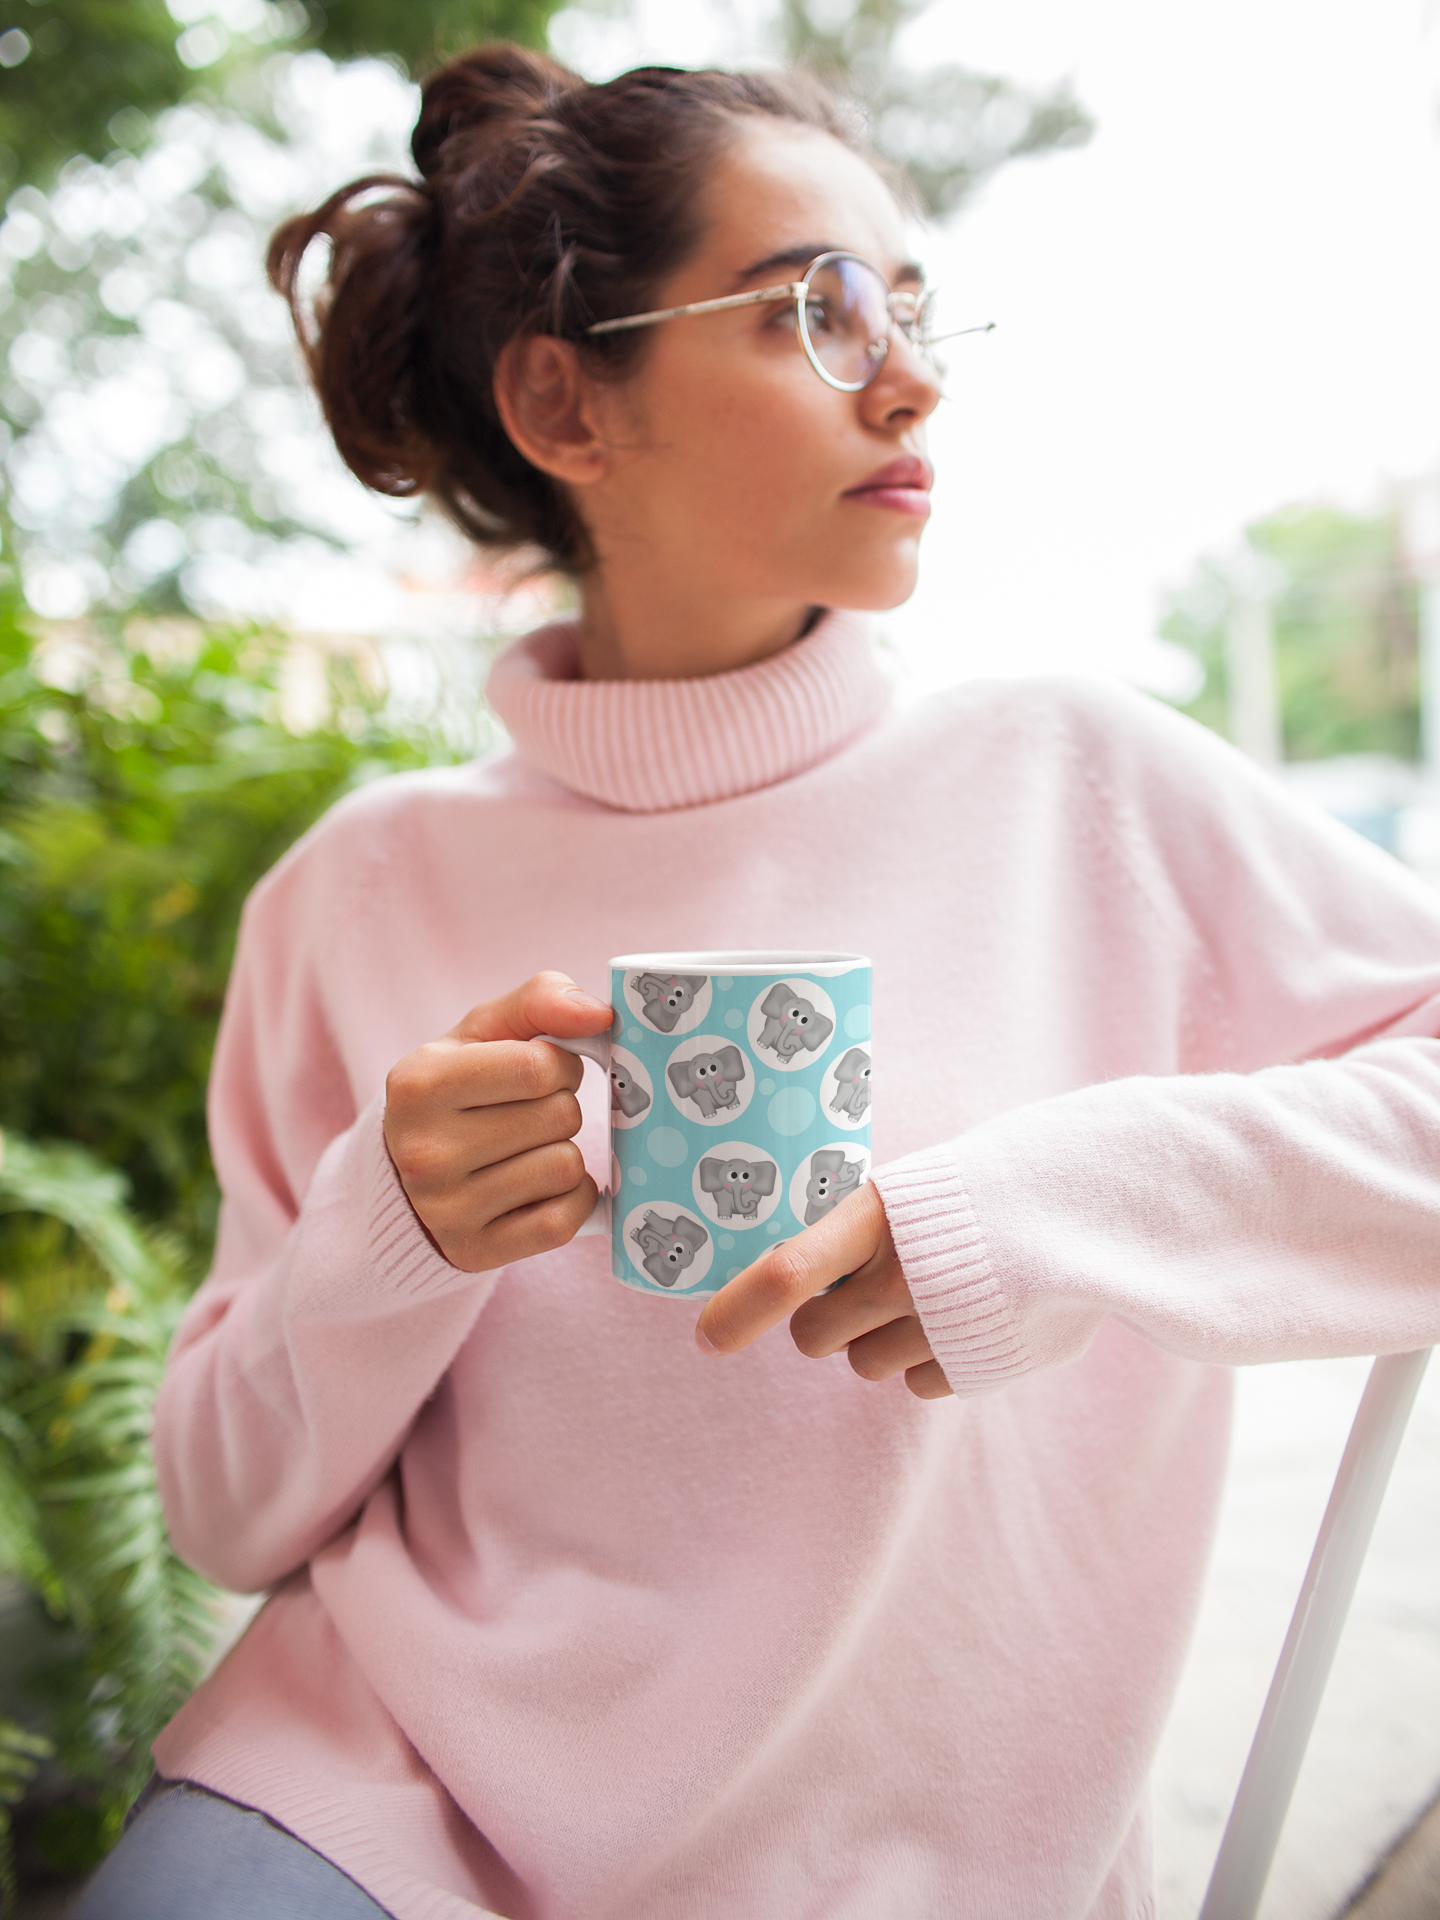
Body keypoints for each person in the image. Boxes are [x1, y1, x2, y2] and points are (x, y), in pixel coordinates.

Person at [73, 40, 1440, 1920]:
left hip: (915, 1857)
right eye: (819, 305)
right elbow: (223, 1512)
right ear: (565, 399)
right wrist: (382, 1233)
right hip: (380, 1804)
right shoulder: (358, 889)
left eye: (914, 303)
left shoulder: (1077, 781)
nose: (915, 369)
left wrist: (1064, 1213)